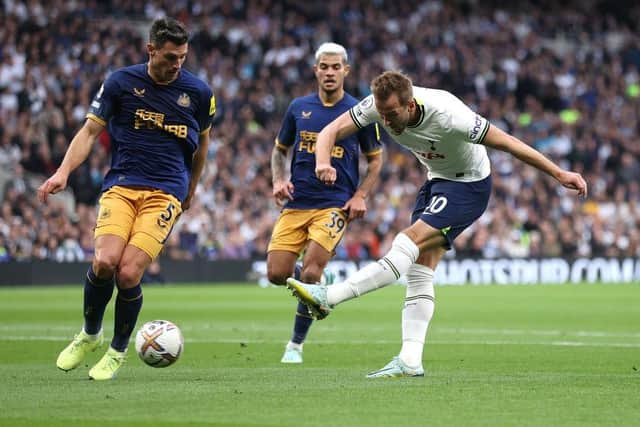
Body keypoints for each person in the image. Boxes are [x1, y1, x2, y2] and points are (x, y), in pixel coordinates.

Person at [287, 70, 587, 377]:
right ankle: (410, 359)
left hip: (469, 186)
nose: (386, 121)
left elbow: (508, 143)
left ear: (411, 106)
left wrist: (559, 174)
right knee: (419, 270)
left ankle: (331, 297)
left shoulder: (450, 115)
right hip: (437, 182)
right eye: (382, 114)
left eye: (391, 114)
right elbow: (330, 130)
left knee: (408, 241)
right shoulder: (379, 106)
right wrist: (322, 162)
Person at [37, 17, 216, 380]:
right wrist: (62, 172)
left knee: (129, 272)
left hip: (166, 191)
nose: (177, 64)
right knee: (104, 263)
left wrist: (191, 189)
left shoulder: (198, 93)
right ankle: (90, 334)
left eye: (182, 56)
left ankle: (118, 351)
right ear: (151, 50)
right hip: (122, 184)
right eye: (170, 56)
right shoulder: (121, 82)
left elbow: (202, 147)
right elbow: (89, 132)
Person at [268, 42, 383, 364]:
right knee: (277, 274)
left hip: (334, 204)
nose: (330, 72)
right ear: (315, 70)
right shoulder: (298, 108)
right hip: (296, 203)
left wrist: (360, 195)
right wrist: (278, 180)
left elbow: (376, 160)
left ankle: (295, 345)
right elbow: (279, 150)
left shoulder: (361, 111)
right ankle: (317, 279)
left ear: (346, 70)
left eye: (336, 67)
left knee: (310, 275)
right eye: (324, 67)